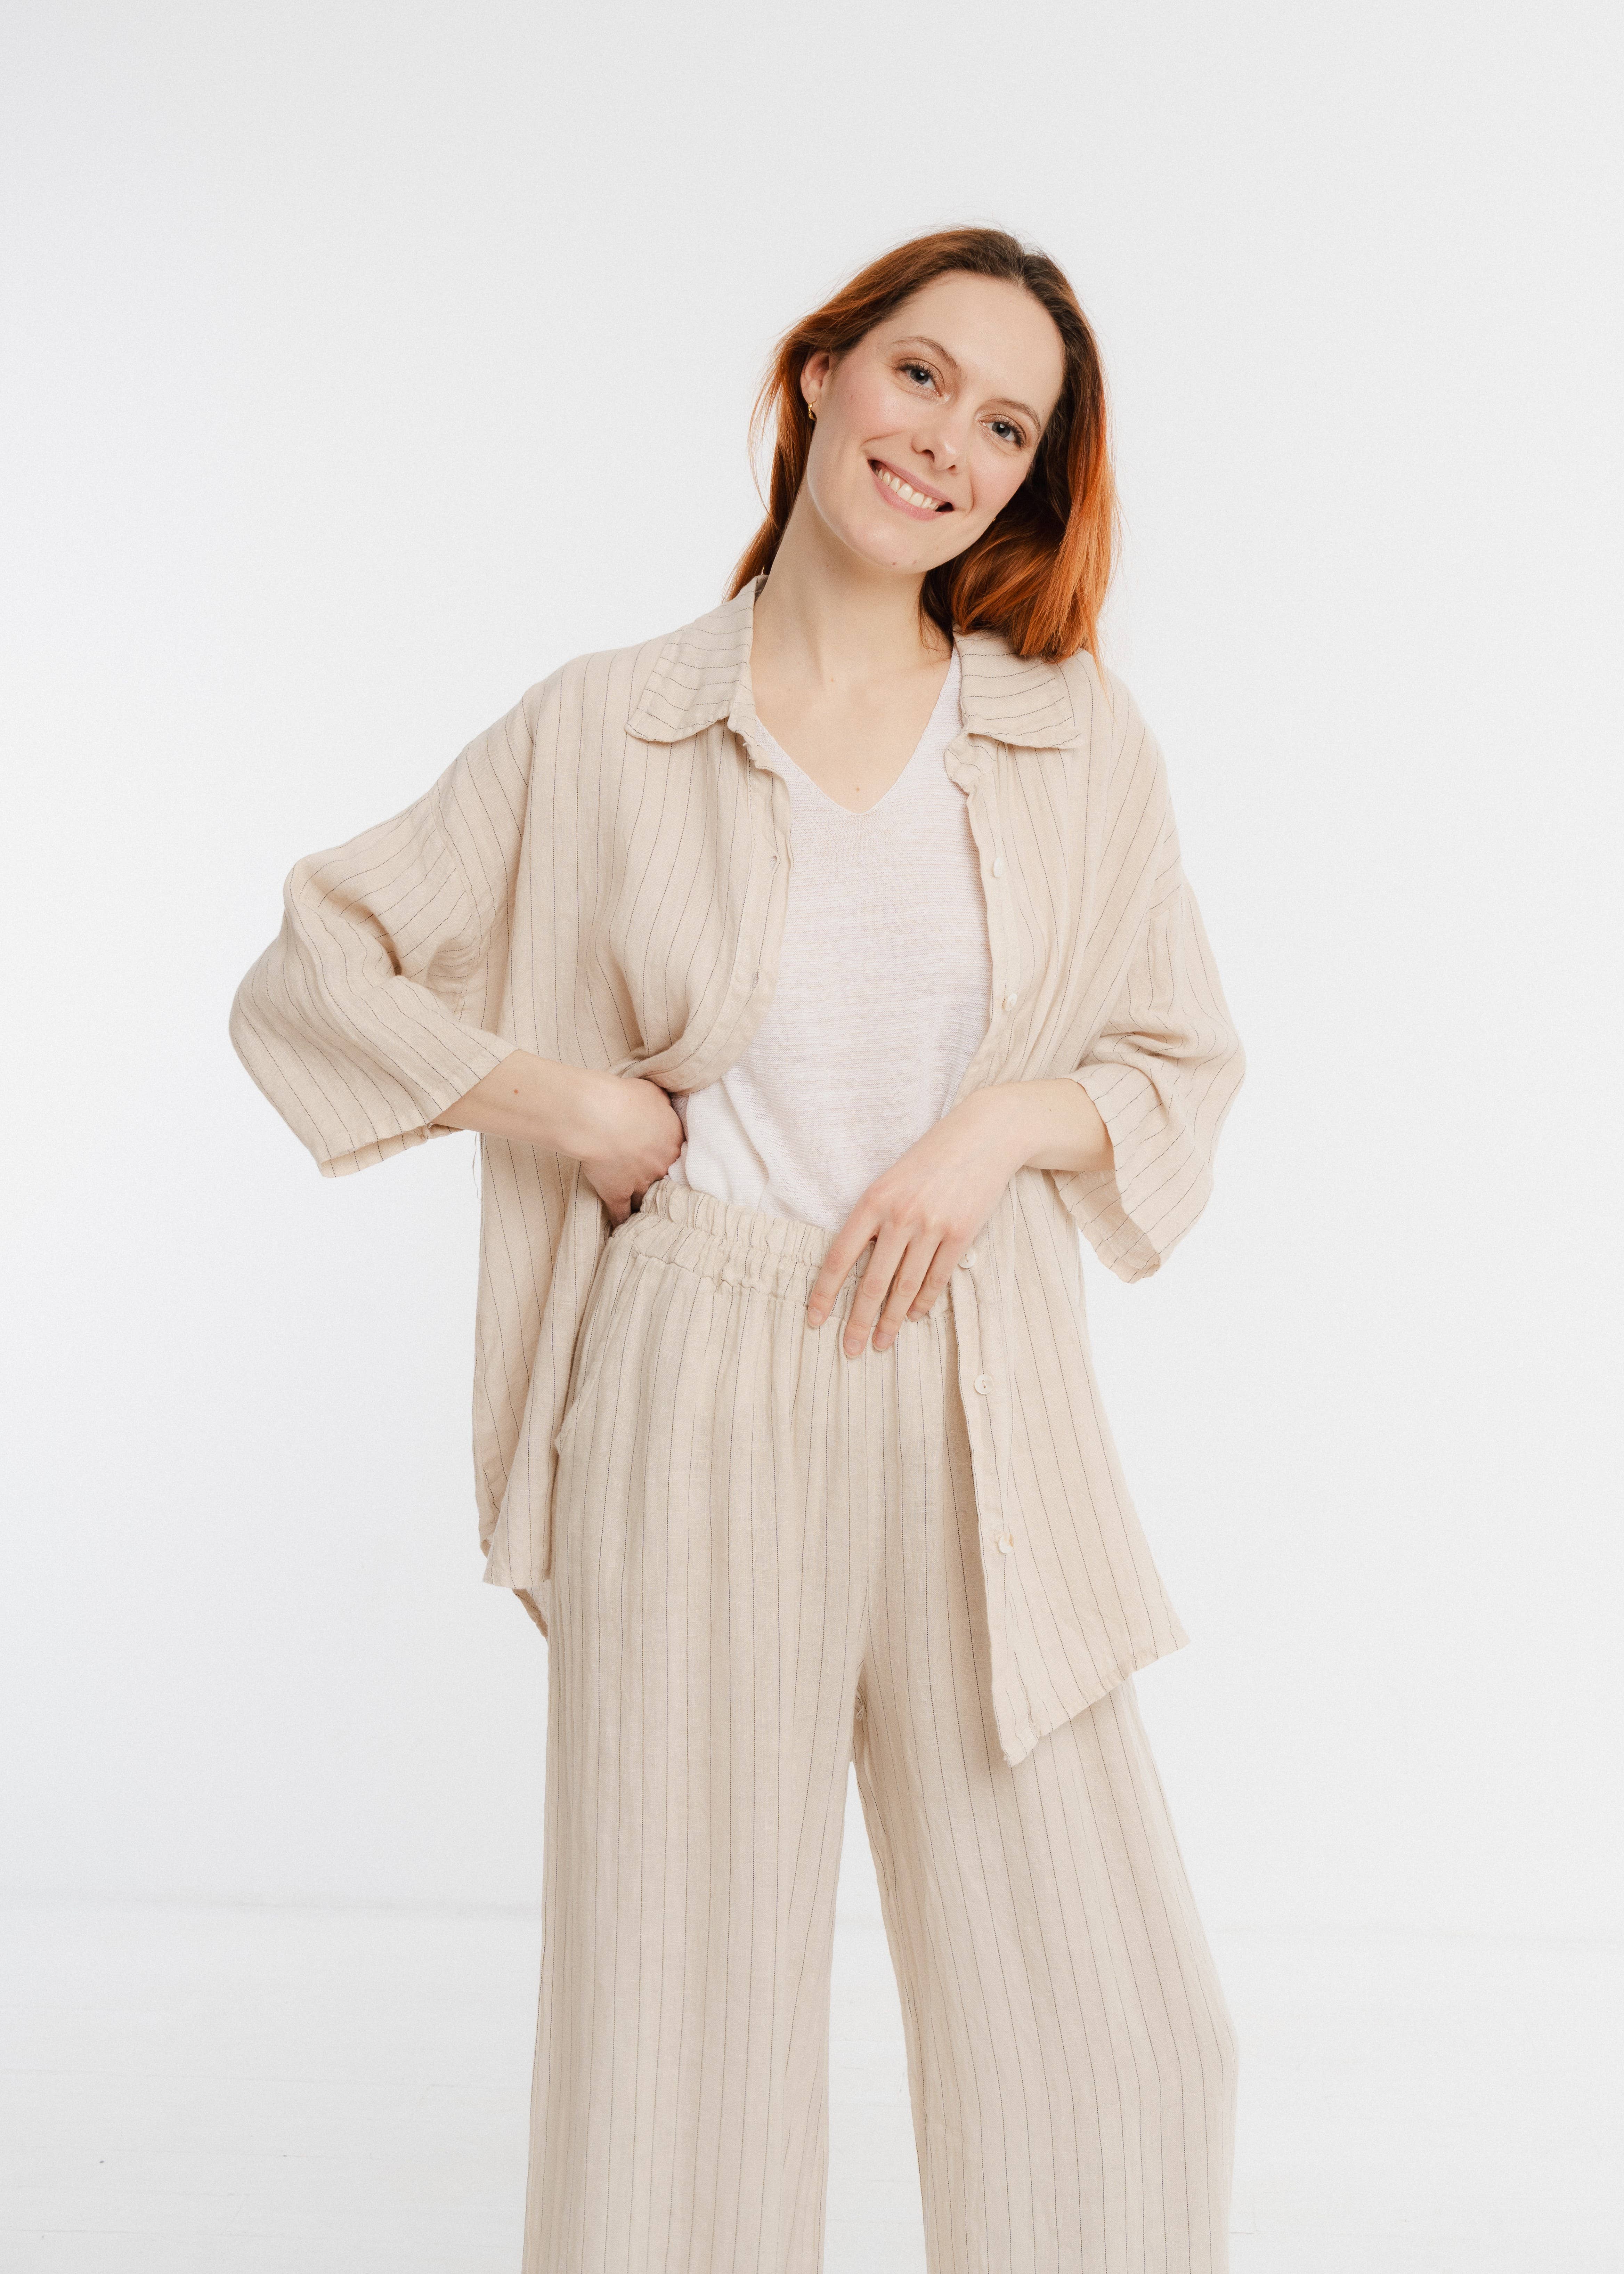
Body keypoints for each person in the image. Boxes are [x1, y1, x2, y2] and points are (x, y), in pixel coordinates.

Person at [229, 225, 1248, 2274]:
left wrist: (994, 1131)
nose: (948, 442)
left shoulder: (1073, 741)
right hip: (698, 1376)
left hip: (979, 1388)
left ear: (1030, 485)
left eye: (1010, 427)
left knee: (1123, 2039)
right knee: (675, 2044)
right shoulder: (607, 725)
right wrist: (570, 1104)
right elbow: (316, 965)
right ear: (821, 373)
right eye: (922, 376)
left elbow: (1176, 1064)